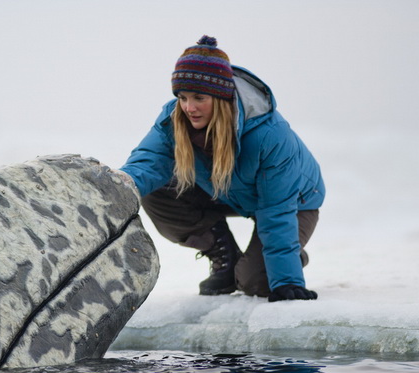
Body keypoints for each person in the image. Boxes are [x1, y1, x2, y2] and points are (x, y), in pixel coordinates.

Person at [120, 35, 325, 302]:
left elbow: (277, 211)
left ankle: (287, 258)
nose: (188, 107)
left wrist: (287, 280)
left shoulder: (269, 135)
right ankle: (224, 256)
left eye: (198, 97)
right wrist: (118, 186)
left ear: (221, 98)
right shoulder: (175, 117)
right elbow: (148, 161)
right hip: (230, 191)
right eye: (182, 97)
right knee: (155, 190)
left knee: (255, 282)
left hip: (294, 202)